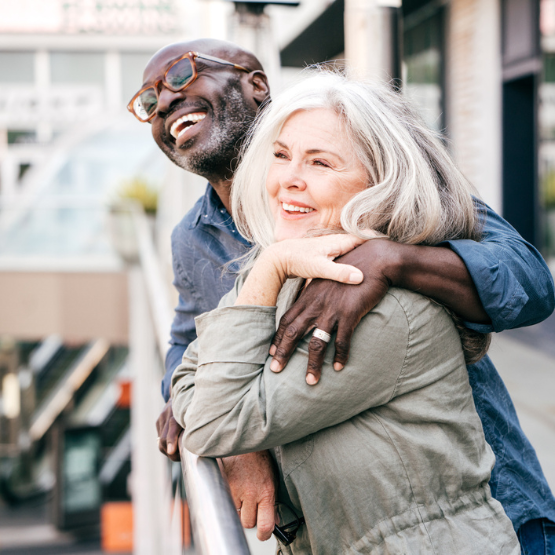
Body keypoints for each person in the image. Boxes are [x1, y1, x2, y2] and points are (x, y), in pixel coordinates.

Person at [128, 39, 555, 549]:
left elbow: (528, 281)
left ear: (256, 83)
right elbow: (187, 349)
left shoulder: (384, 181)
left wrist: (392, 259)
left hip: (489, 507)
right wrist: (235, 447)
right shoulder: (193, 238)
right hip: (340, 525)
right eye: (149, 101)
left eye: (180, 75)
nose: (167, 101)